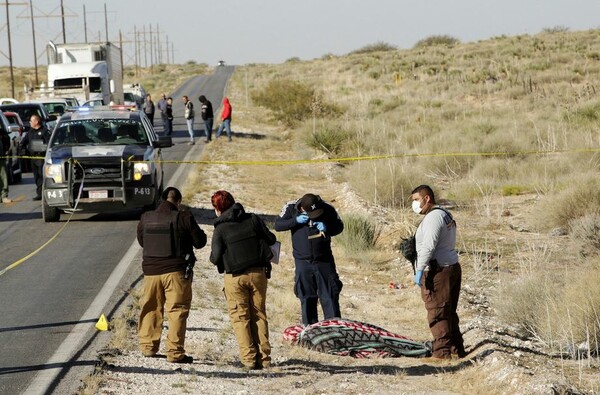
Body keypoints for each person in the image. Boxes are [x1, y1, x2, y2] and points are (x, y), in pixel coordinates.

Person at [136, 187, 207, 364]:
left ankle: (148, 347)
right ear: (179, 201)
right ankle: (175, 353)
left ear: (161, 200)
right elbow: (200, 242)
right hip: (176, 272)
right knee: (177, 311)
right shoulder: (184, 217)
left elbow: (141, 241)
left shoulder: (146, 217)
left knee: (151, 308)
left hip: (151, 273)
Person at [209, 190, 276, 370]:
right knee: (259, 314)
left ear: (217, 209)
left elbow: (215, 258)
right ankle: (265, 359)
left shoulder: (220, 229)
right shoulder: (253, 219)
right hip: (258, 274)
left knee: (240, 318)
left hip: (235, 278)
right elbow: (271, 238)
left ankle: (248, 359)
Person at [410, 184, 465, 360]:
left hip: (439, 271)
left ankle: (442, 353)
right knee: (448, 310)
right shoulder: (445, 214)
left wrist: (419, 269)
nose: (415, 205)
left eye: (417, 200)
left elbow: (429, 246)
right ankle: (457, 349)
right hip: (450, 267)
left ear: (427, 199)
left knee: (437, 311)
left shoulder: (434, 218)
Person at [274, 193, 344, 326]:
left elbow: (339, 226)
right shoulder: (290, 207)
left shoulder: (326, 207)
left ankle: (334, 331)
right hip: (302, 261)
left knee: (330, 296)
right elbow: (278, 225)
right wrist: (295, 221)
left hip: (324, 260)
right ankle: (309, 329)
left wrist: (327, 227)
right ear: (302, 209)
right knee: (307, 298)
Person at [20, 114, 50, 201]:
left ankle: (44, 193)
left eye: (31, 121)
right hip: (33, 158)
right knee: (37, 177)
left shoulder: (45, 131)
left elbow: (49, 144)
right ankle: (39, 193)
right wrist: (21, 148)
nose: (29, 122)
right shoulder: (30, 131)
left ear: (36, 122)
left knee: (42, 176)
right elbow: (24, 141)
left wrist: (41, 149)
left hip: (41, 158)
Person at [0, 126, 11, 203]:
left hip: (0, 158)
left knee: (3, 177)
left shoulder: (1, 132)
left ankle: (4, 196)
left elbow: (7, 140)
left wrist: (5, 149)